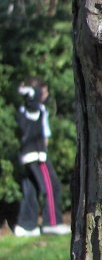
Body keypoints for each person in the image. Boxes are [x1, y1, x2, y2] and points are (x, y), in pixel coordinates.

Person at [13, 77, 70, 236]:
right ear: (36, 92)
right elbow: (32, 105)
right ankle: (52, 222)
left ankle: (26, 225)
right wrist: (30, 92)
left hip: (29, 155)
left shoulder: (35, 109)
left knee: (31, 189)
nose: (46, 94)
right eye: (43, 91)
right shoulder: (32, 109)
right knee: (53, 186)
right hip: (36, 155)